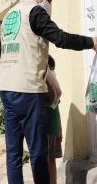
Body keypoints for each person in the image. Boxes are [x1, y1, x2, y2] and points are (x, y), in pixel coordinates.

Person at [0, 0, 97, 184]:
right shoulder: (34, 12)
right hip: (28, 91)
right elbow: (61, 38)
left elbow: (4, 51)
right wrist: (91, 42)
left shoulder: (9, 15)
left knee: (13, 155)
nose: (49, 4)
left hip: (7, 90)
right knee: (38, 154)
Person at [44, 55, 62, 184]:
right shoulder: (52, 87)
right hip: (50, 128)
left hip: (50, 129)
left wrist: (60, 130)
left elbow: (57, 110)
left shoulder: (50, 87)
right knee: (49, 161)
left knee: (48, 161)